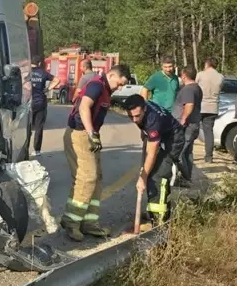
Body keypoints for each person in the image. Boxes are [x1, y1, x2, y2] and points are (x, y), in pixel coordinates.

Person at [61, 63, 132, 241]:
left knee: (97, 178)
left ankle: (89, 222)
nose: (121, 87)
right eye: (120, 83)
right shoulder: (97, 85)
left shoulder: (106, 89)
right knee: (87, 177)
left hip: (90, 135)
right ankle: (71, 221)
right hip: (80, 134)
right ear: (112, 75)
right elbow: (84, 106)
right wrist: (91, 133)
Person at [123, 94, 179, 227]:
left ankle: (159, 222)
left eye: (137, 116)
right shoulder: (142, 107)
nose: (134, 120)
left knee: (158, 176)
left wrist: (143, 176)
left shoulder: (154, 119)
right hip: (158, 135)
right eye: (131, 116)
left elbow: (152, 151)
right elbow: (144, 128)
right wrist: (144, 131)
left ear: (144, 110)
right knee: (149, 172)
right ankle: (152, 213)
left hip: (173, 139)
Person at [172, 66, 203, 185]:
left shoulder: (189, 89)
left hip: (187, 126)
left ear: (184, 76)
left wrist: (182, 120)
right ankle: (187, 177)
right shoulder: (196, 88)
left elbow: (189, 105)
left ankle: (185, 178)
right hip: (192, 125)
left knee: (179, 153)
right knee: (187, 153)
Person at [196, 57, 224, 163]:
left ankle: (186, 154)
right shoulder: (220, 77)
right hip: (213, 107)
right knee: (209, 132)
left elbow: (195, 87)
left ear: (207, 64)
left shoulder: (200, 75)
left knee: (193, 130)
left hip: (200, 105)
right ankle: (208, 157)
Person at [27, 57, 53, 156]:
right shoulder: (43, 73)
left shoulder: (27, 73)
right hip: (40, 102)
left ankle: (25, 148)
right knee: (39, 127)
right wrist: (48, 88)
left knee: (27, 127)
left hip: (29, 103)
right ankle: (37, 150)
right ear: (39, 63)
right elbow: (57, 80)